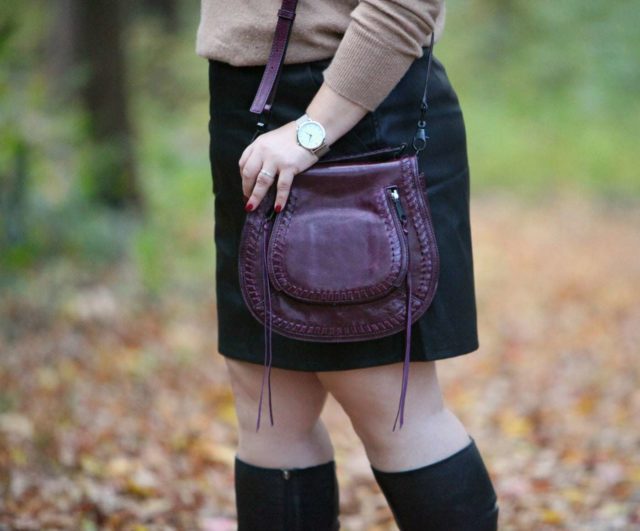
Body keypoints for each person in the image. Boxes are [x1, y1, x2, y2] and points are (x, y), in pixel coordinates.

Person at [196, 0, 499, 529]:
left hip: (352, 113)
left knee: (394, 411)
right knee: (270, 409)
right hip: (248, 106)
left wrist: (313, 129)